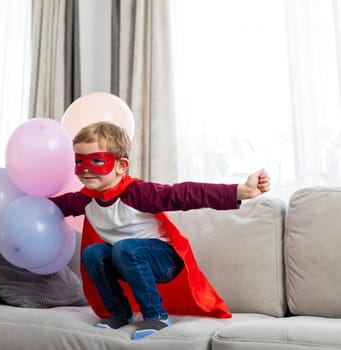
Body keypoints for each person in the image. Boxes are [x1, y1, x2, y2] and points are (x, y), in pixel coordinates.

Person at [49, 121, 271, 340]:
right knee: (93, 253)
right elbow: (51, 207)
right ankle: (119, 313)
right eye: (79, 161)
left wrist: (240, 191)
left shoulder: (136, 192)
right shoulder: (85, 200)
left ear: (121, 166)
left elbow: (184, 194)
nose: (86, 169)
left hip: (164, 261)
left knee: (126, 249)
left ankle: (156, 315)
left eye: (97, 161)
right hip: (124, 260)